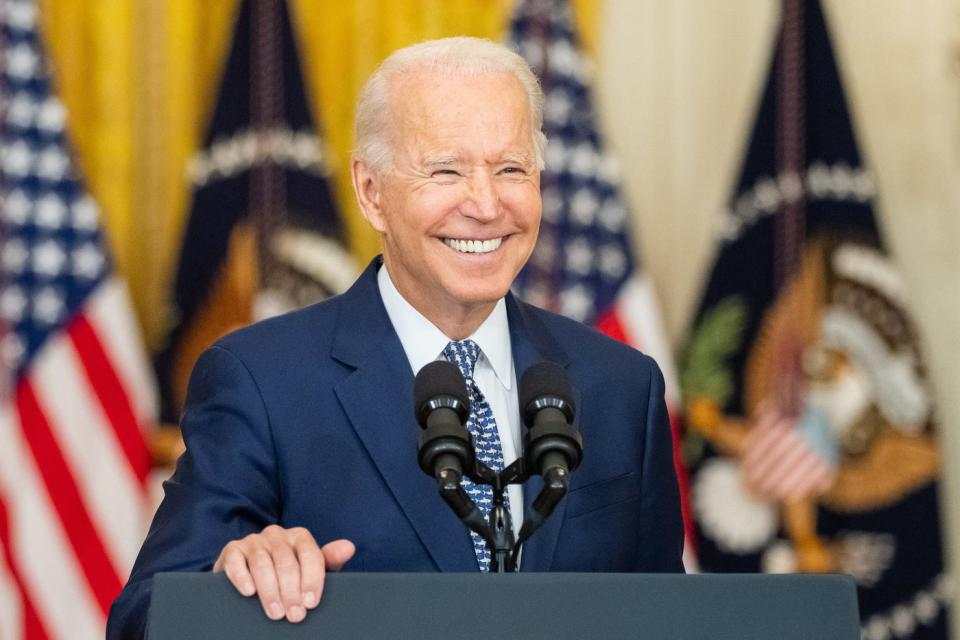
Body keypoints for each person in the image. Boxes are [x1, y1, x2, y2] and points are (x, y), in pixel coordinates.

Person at [107, 36, 683, 639]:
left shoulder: (621, 385)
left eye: (511, 169)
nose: (486, 205)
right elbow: (144, 618)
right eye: (446, 170)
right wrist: (225, 583)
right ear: (371, 192)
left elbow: (669, 621)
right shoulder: (261, 382)